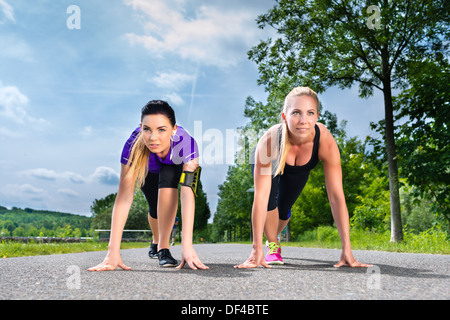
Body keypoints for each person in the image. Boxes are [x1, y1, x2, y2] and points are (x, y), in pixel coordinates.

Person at [235, 87, 371, 269]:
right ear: (284, 116)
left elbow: (336, 197)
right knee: (269, 199)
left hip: (298, 171)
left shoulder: (325, 141)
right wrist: (255, 249)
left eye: (310, 113)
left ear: (317, 116)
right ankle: (272, 245)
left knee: (283, 210)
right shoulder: (269, 142)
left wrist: (347, 248)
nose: (303, 121)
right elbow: (259, 198)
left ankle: (272, 237)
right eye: (296, 113)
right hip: (269, 161)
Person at [89, 100, 208, 271]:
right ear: (141, 127)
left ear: (174, 129)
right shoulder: (132, 145)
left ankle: (163, 248)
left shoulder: (187, 144)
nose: (153, 138)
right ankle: (156, 239)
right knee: (154, 207)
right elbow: (123, 198)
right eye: (147, 129)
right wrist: (112, 252)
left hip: (172, 166)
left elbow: (187, 194)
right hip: (148, 169)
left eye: (161, 130)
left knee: (168, 183)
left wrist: (187, 246)